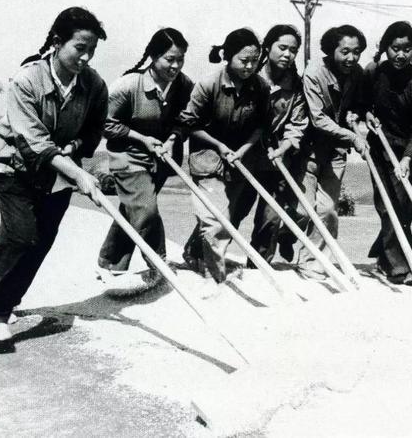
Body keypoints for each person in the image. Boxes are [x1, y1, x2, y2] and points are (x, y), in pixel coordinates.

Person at [0, 7, 108, 343]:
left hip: (57, 171)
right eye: (79, 48)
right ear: (56, 42)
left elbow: (96, 129)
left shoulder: (94, 85)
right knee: (21, 235)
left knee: (40, 242)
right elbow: (33, 142)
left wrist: (77, 144)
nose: (86, 57)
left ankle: (5, 298)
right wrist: (79, 175)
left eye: (92, 51)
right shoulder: (27, 80)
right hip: (13, 165)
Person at [96, 28, 193, 284]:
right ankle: (159, 264)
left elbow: (189, 119)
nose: (175, 65)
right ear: (153, 56)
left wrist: (173, 139)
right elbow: (105, 123)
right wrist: (142, 138)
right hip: (128, 156)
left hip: (162, 158)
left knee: (134, 210)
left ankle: (110, 263)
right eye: (169, 59)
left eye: (180, 59)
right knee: (146, 210)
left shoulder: (184, 85)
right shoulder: (128, 85)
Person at [178, 28, 270, 288]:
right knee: (216, 219)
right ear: (228, 57)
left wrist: (243, 149)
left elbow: (262, 125)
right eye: (243, 60)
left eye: (254, 60)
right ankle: (214, 277)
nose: (249, 66)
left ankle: (193, 252)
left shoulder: (260, 86)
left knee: (225, 217)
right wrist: (218, 145)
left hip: (240, 159)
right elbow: (189, 124)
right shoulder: (208, 84)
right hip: (207, 156)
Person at [363, 21, 412, 286]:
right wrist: (366, 113)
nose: (400, 54)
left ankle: (384, 254)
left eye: (407, 49)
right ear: (386, 48)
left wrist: (408, 158)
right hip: (381, 148)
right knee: (388, 207)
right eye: (395, 48)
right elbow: (360, 102)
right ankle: (400, 269)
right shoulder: (373, 72)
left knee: (404, 211)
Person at [298, 24, 369, 280]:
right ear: (332, 50)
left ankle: (312, 263)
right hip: (307, 150)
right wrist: (353, 137)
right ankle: (283, 245)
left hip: (335, 152)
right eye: (345, 51)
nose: (351, 58)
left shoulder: (357, 73)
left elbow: (359, 104)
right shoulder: (314, 72)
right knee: (302, 211)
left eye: (357, 52)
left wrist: (358, 114)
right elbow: (317, 119)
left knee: (327, 211)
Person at [243, 24, 309, 264]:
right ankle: (196, 252)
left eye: (293, 50)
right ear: (267, 47)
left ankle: (258, 266)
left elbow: (297, 124)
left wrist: (285, 147)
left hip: (276, 158)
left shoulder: (297, 86)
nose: (287, 54)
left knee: (270, 217)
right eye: (282, 47)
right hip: (245, 155)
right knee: (235, 210)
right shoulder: (249, 75)